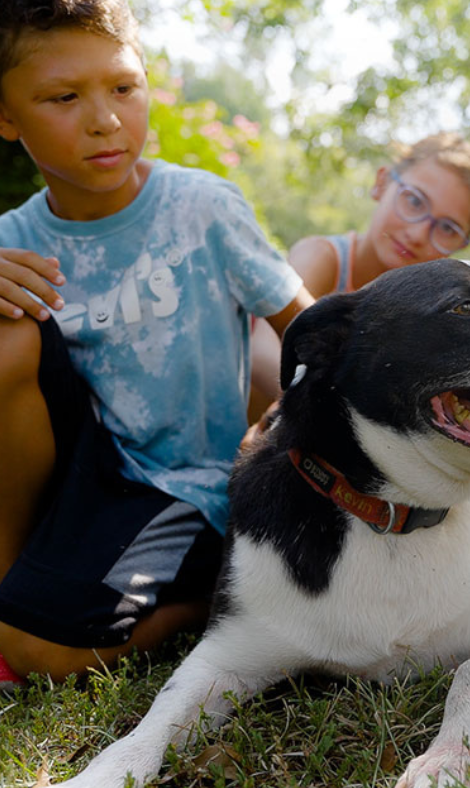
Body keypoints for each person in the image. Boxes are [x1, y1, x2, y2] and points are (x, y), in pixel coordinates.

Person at [0, 0, 314, 687]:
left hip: (178, 485)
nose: (105, 119)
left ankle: (214, 599)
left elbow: (312, 333)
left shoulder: (201, 208)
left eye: (122, 87)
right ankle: (10, 577)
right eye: (64, 97)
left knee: (38, 653)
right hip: (72, 476)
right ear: (6, 117)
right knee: (4, 328)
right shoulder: (12, 241)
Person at [248, 132, 470, 421]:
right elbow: (262, 348)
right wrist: (320, 403)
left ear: (461, 245)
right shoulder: (324, 258)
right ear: (382, 183)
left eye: (447, 228)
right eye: (414, 201)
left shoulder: (430, 318)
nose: (417, 235)